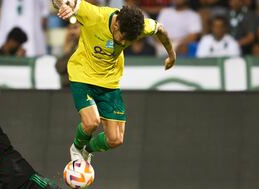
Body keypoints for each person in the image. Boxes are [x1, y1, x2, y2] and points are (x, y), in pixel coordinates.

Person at [54, 0, 175, 162]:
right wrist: (61, 6)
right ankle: (76, 148)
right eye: (123, 38)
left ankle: (86, 151)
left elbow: (160, 30)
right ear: (116, 25)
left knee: (115, 139)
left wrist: (172, 55)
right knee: (92, 123)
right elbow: (62, 1)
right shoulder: (94, 15)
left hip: (109, 82)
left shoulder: (137, 26)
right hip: (82, 74)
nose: (124, 43)